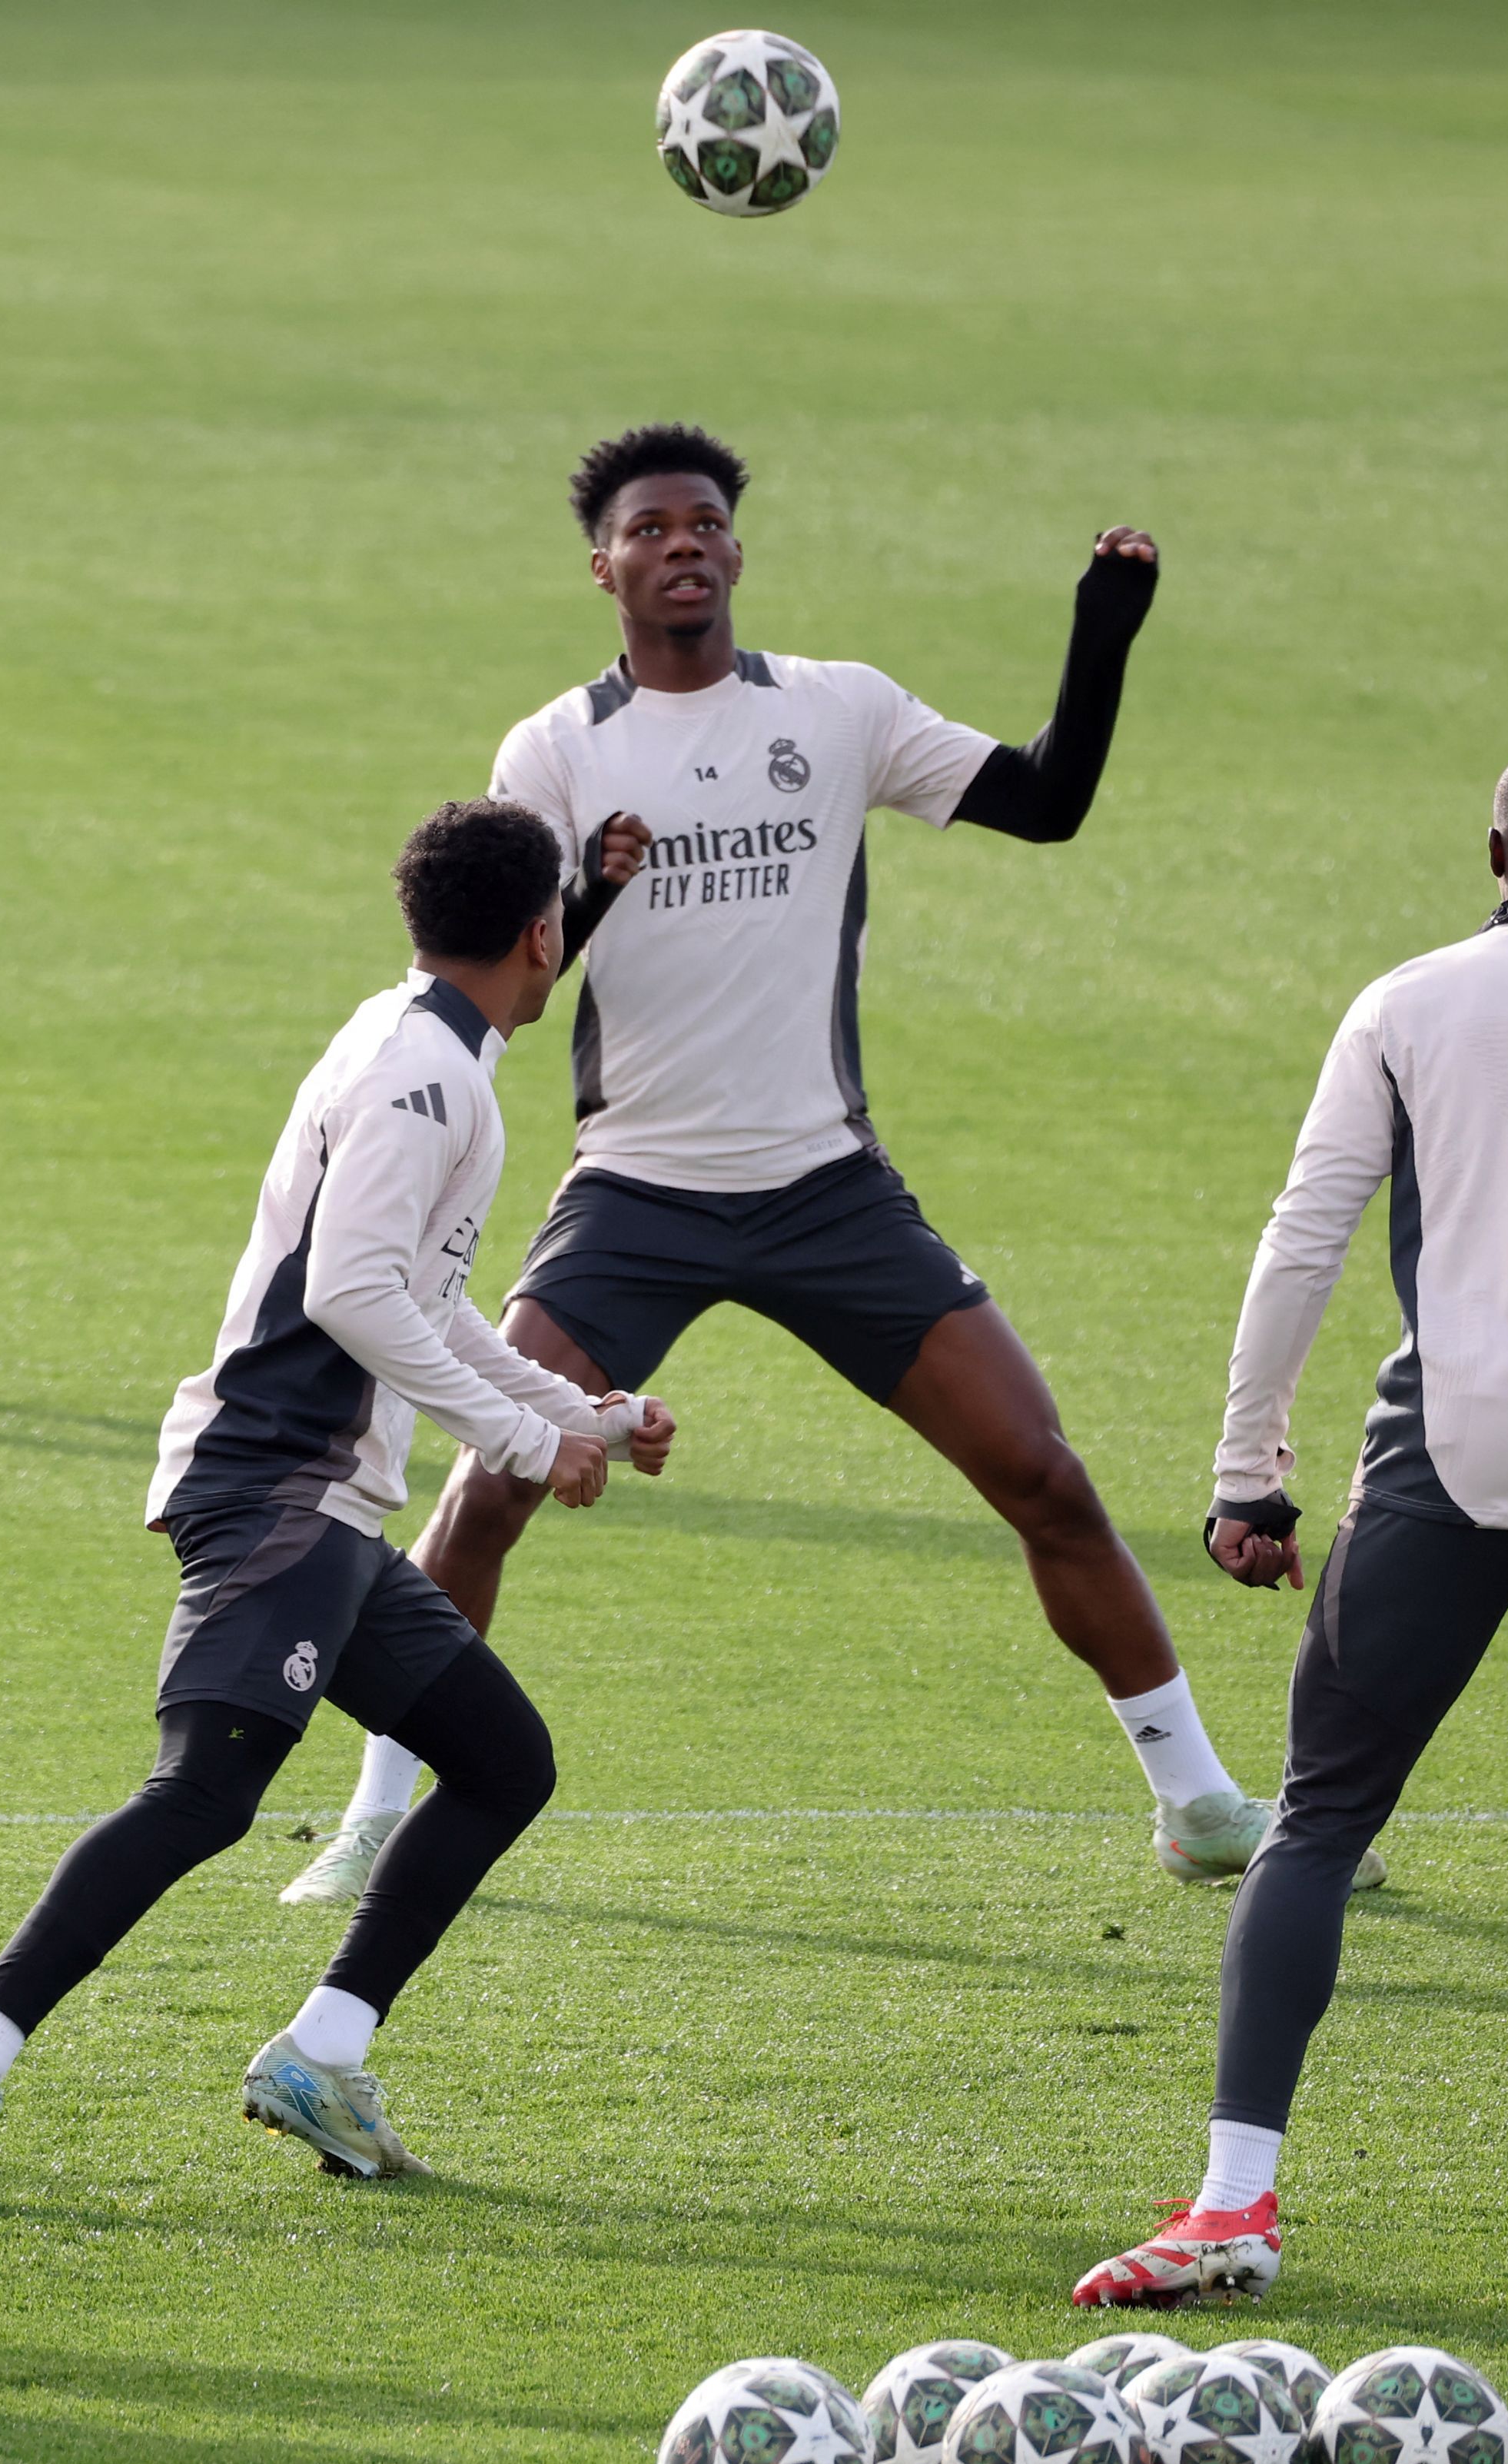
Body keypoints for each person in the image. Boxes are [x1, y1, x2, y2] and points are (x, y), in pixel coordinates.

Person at [288, 421, 1242, 1910]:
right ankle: (376, 1814)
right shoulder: (554, 748)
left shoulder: (840, 710)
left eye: (707, 523)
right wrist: (592, 890)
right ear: (602, 565)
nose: (685, 543)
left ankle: (1196, 1797)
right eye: (653, 527)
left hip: (825, 1185)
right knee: (490, 1480)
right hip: (637, 1191)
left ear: (736, 551)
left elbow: (1048, 800)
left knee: (1042, 1472)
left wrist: (1101, 632)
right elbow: (515, 971)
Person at [1068, 741, 1508, 2319]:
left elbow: (1306, 1231)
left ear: (1497, 856)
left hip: (1451, 1454)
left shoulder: (1405, 1003)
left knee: (1319, 1822)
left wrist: (1246, 1468)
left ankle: (1233, 2201)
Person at [0, 801, 671, 2212]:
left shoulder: (412, 1045)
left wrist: (574, 1413)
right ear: (546, 934)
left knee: (502, 1759)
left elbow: (419, 1298)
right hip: (280, 1491)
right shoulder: (430, 1079)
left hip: (333, 1511)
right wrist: (520, 1445)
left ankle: (323, 2049)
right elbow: (350, 1294)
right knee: (207, 1792)